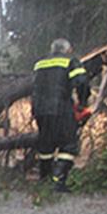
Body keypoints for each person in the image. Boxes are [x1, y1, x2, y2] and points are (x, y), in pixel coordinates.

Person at [31, 38, 91, 193]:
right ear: (68, 49)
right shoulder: (70, 61)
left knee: (46, 145)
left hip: (39, 110)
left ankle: (44, 180)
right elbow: (82, 83)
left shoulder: (39, 64)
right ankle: (58, 182)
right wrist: (83, 103)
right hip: (61, 109)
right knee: (68, 145)